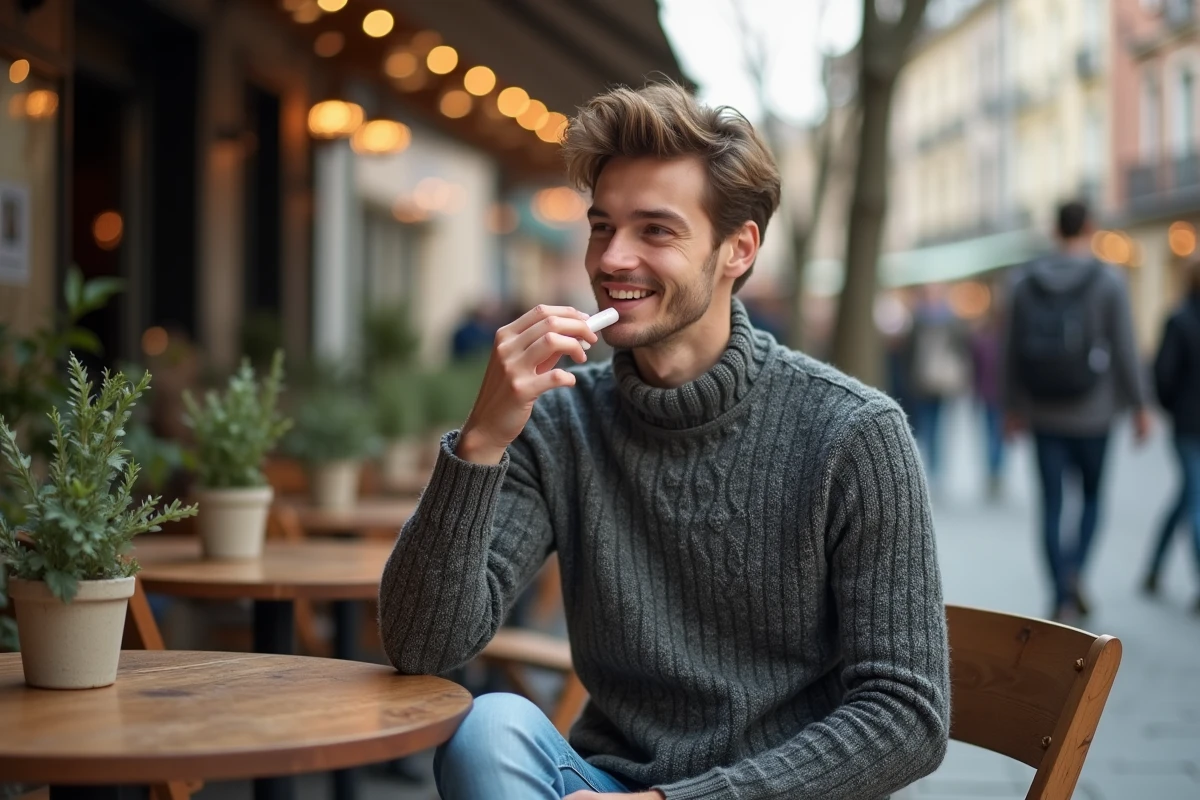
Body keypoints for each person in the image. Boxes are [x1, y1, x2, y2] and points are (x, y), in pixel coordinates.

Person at [378, 82, 950, 800]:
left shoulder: (855, 433)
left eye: (655, 230)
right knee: (487, 731)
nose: (614, 258)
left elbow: (907, 716)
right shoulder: (558, 420)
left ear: (737, 248)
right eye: (601, 226)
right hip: (604, 783)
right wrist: (482, 442)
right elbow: (421, 647)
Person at [1002, 200, 1151, 623]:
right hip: (1095, 413)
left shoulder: (1023, 281)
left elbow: (1009, 349)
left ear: (1055, 230)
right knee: (1090, 499)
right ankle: (1074, 575)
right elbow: (1125, 345)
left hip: (1042, 411)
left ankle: (1059, 591)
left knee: (1050, 504)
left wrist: (1010, 407)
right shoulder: (1108, 279)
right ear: (1089, 227)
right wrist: (1141, 406)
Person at [1142, 257, 1200, 610]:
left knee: (1188, 497)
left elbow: (1163, 377)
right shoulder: (1178, 320)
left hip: (1187, 425)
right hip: (1189, 427)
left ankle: (1153, 567)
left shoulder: (1178, 320)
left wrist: (1174, 408)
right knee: (1194, 499)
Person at [905, 284, 971, 485]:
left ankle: (934, 467)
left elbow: (961, 350)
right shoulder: (925, 319)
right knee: (928, 423)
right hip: (923, 380)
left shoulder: (944, 320)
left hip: (939, 381)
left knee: (935, 424)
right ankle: (932, 467)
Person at [970, 307, 1006, 500]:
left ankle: (995, 471)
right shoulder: (1000, 341)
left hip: (992, 395)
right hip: (995, 395)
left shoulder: (983, 340)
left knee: (993, 434)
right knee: (995, 435)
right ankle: (995, 472)